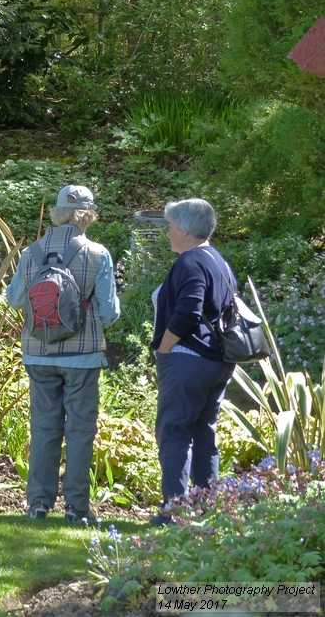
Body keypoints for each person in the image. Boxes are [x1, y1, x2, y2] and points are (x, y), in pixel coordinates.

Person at [6, 185, 120, 523]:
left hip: (38, 353)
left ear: (57, 213)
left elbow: (13, 299)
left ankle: (38, 505)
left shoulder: (31, 252)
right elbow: (111, 312)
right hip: (82, 356)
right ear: (87, 214)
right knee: (80, 430)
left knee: (43, 427)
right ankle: (76, 508)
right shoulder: (98, 253)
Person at [150, 198, 235, 526]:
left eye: (170, 225)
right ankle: (205, 510)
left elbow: (188, 310)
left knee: (173, 431)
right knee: (203, 433)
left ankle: (175, 512)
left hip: (188, 359)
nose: (168, 231)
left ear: (185, 229)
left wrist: (165, 349)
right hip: (217, 362)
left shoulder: (190, 262)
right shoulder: (218, 261)